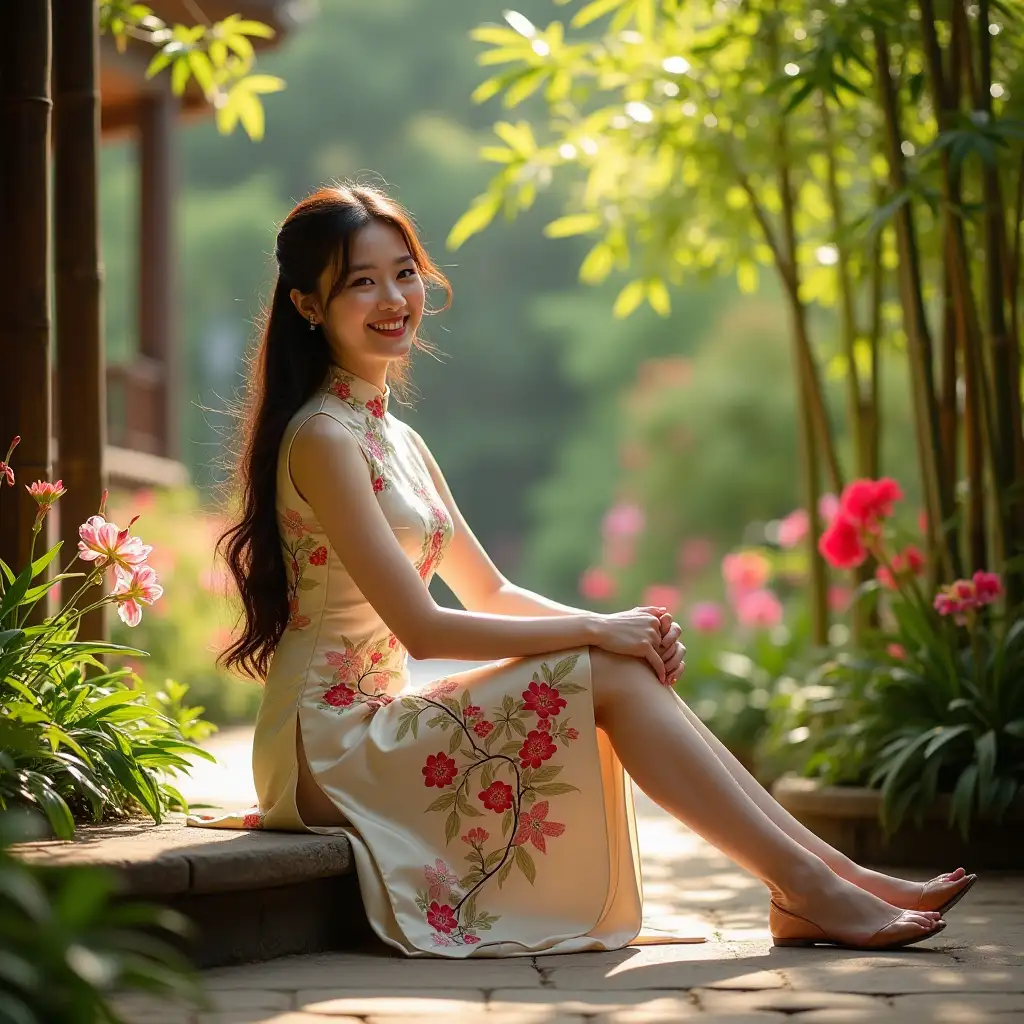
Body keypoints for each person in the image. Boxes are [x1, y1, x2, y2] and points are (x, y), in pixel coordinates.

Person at [188, 182, 973, 958]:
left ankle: (828, 875)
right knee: (605, 664)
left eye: (405, 271)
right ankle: (811, 888)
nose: (394, 297)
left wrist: (621, 634)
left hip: (373, 724)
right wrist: (602, 629)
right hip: (324, 748)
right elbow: (423, 624)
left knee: (616, 667)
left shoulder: (398, 439)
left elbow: (489, 590)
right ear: (308, 305)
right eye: (361, 281)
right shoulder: (324, 436)